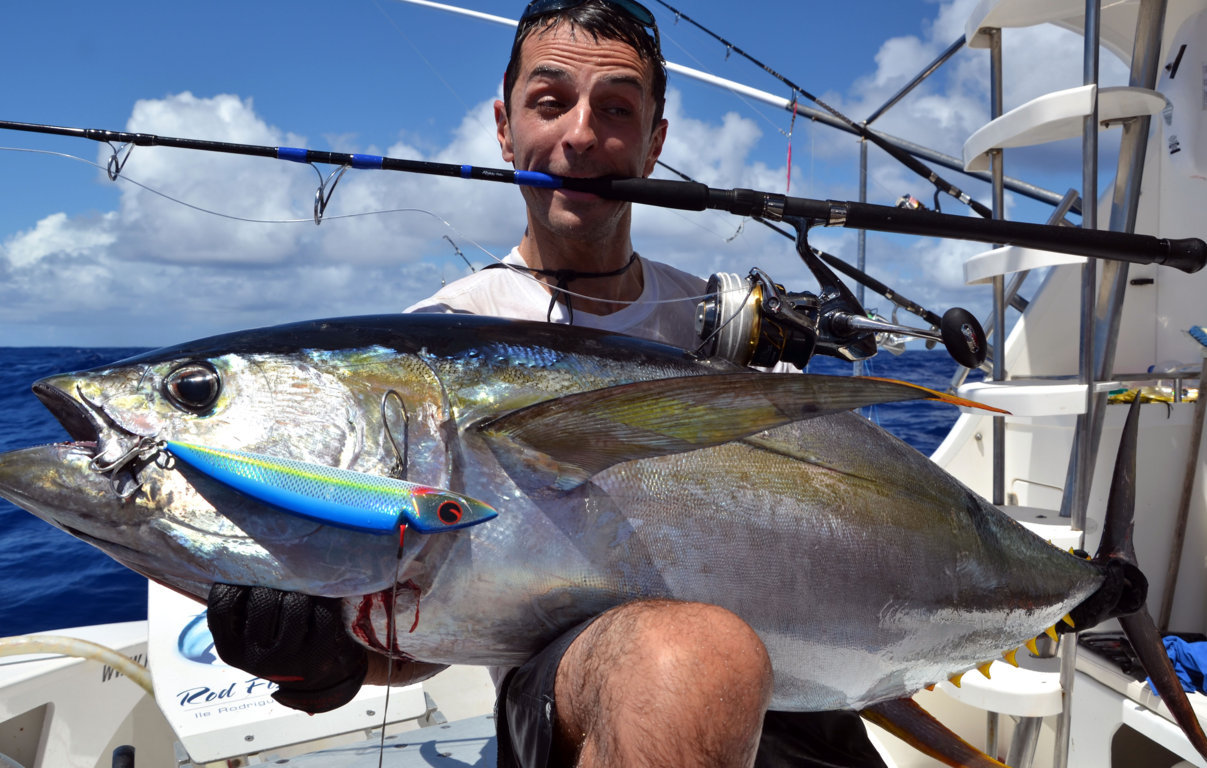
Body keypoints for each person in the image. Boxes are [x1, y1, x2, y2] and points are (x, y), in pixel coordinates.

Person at [208, 2, 889, 766]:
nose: (580, 134)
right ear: (504, 126)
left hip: (789, 696)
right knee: (692, 654)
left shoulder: (724, 328)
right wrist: (324, 664)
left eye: (617, 108)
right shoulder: (428, 349)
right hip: (572, 700)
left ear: (654, 140)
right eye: (549, 101)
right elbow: (436, 623)